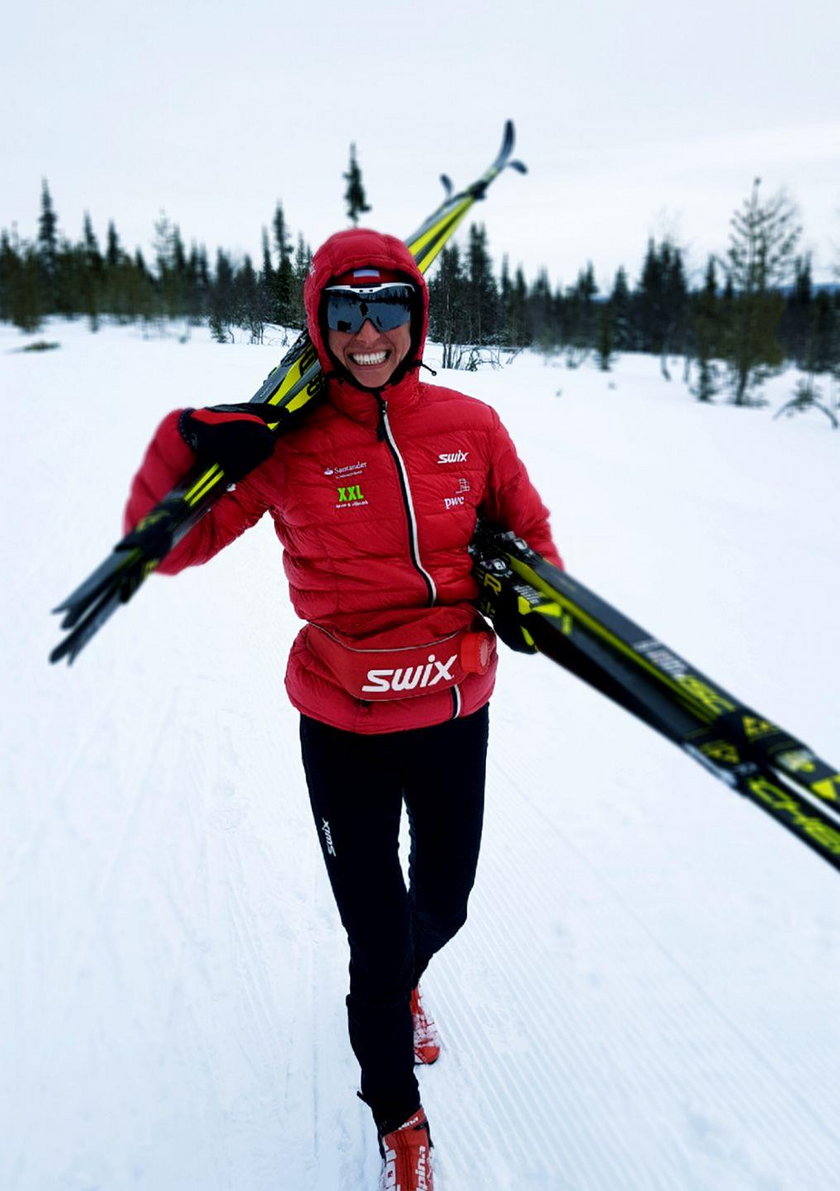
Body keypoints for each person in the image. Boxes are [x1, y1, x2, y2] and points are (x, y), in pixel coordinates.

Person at [125, 226, 562, 1190]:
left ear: (417, 318)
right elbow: (166, 543)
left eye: (390, 310)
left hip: (452, 706)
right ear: (320, 324)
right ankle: (397, 1111)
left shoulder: (474, 425)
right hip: (343, 721)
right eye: (348, 313)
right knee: (374, 927)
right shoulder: (284, 446)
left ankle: (406, 979)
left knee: (441, 901)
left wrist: (537, 604)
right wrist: (192, 449)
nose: (371, 334)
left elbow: (528, 536)